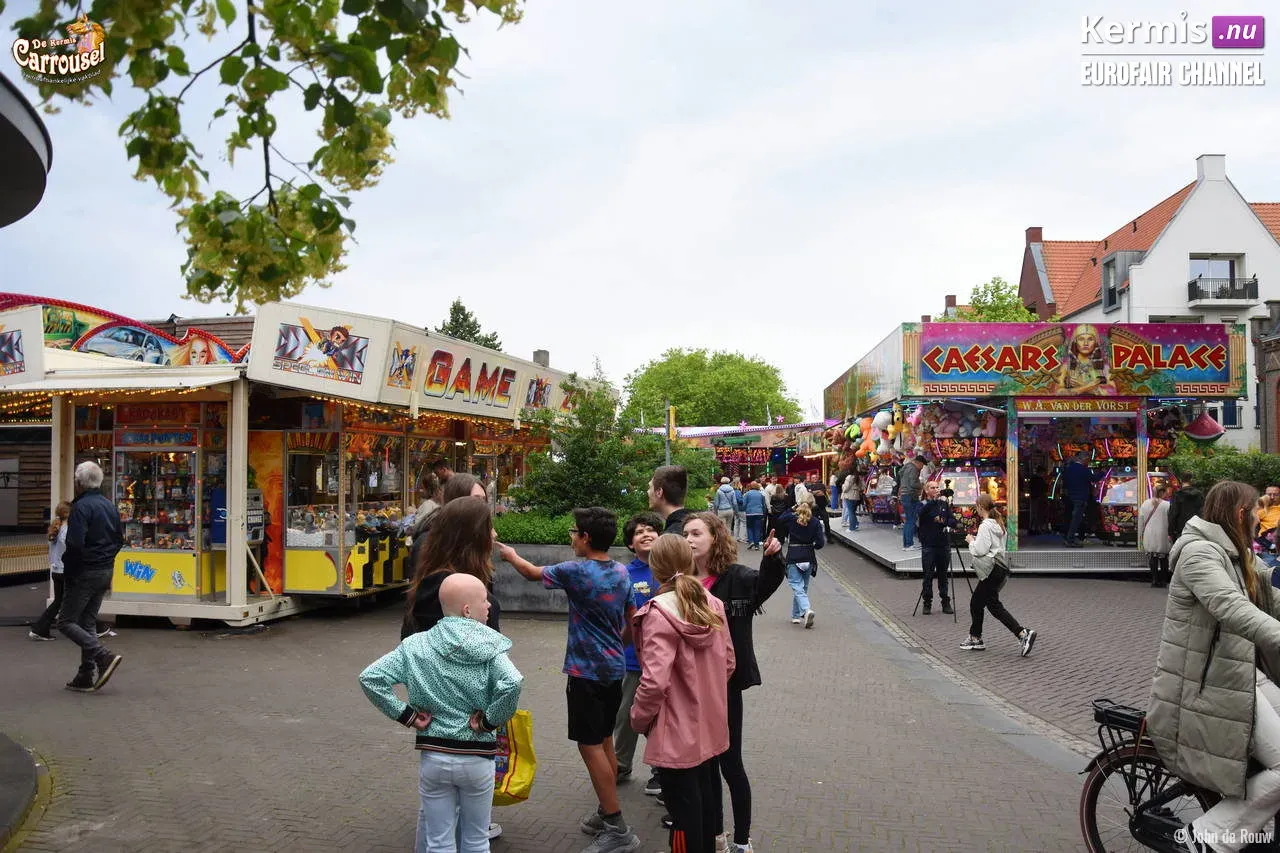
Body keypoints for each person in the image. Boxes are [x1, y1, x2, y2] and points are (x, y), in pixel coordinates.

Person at [1146, 482, 1280, 853]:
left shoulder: (1235, 553)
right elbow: (1231, 607)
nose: (1259, 516)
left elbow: (1270, 599)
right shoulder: (1199, 554)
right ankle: (1206, 837)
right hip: (1208, 684)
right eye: (1255, 510)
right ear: (1240, 514)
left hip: (1239, 674)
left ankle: (1255, 830)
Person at [499, 508, 641, 853]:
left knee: (589, 745)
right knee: (604, 739)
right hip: (613, 669)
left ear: (586, 538)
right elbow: (633, 620)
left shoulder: (575, 571)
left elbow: (531, 573)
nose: (571, 537)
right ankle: (605, 811)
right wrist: (615, 646)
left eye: (573, 532)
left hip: (585, 673)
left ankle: (616, 826)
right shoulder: (621, 571)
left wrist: (509, 553)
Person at [359, 573, 523, 853]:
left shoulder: (415, 645)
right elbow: (513, 683)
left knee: (438, 842)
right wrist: (488, 720)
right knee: (476, 841)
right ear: (467, 610)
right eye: (484, 600)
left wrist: (406, 715)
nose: (490, 607)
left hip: (434, 756)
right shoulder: (491, 648)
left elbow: (370, 678)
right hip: (477, 759)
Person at [682, 512, 786, 853]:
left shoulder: (736, 578)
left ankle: (742, 840)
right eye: (685, 533)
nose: (689, 538)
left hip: (724, 688)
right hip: (690, 687)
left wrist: (772, 558)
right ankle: (716, 835)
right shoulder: (680, 581)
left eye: (696, 533)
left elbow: (765, 585)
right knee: (705, 767)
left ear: (715, 537)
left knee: (730, 764)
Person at [630, 534, 734, 853]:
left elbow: (654, 682)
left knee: (683, 814)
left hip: (675, 730)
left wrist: (638, 719)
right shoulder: (711, 602)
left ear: (654, 568)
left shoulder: (658, 613)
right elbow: (728, 661)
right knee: (703, 804)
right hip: (709, 723)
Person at [57, 461, 125, 692]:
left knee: (65, 621)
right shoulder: (109, 506)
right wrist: (107, 560)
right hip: (105, 569)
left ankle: (102, 656)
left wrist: (70, 567)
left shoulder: (81, 508)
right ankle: (85, 674)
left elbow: (75, 544)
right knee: (87, 621)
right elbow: (119, 540)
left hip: (85, 570)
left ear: (78, 483)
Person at [612, 512, 663, 793]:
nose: (646, 534)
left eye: (651, 530)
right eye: (639, 532)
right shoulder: (624, 574)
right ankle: (621, 764)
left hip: (665, 661)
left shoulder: (673, 570)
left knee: (662, 717)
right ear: (631, 544)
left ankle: (661, 770)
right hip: (632, 660)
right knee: (627, 715)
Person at [402, 497, 502, 638]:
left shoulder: (464, 576)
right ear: (472, 536)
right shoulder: (441, 584)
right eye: (489, 528)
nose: (494, 534)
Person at [960, 494, 1036, 656]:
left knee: (989, 605)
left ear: (980, 507)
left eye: (977, 506)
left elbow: (980, 550)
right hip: (999, 568)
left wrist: (970, 541)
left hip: (990, 570)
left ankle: (1022, 634)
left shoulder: (985, 526)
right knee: (982, 603)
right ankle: (976, 637)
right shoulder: (999, 524)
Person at [778, 501, 825, 629]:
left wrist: (791, 508)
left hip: (794, 554)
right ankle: (795, 616)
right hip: (808, 556)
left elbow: (780, 519)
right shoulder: (815, 521)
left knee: (796, 586)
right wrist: (813, 546)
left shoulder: (792, 519)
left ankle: (806, 610)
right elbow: (821, 542)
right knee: (802, 588)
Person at [29, 501, 71, 641]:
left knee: (59, 601)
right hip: (66, 570)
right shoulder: (67, 529)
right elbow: (70, 548)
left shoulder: (55, 528)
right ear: (68, 514)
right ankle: (90, 629)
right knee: (76, 599)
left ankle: (40, 628)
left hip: (56, 570)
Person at [916, 480, 956, 615]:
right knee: (927, 575)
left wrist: (944, 521)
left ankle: (945, 601)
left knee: (943, 575)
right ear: (927, 490)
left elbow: (953, 521)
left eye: (937, 487)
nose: (936, 490)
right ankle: (927, 602)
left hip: (943, 544)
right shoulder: (923, 504)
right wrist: (933, 501)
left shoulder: (944, 504)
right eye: (932, 488)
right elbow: (921, 514)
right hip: (928, 545)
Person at [1063, 450, 1105, 547]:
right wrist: (1102, 473)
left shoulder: (1069, 468)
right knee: (1076, 519)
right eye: (1088, 460)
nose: (1088, 462)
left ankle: (1068, 537)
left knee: (1071, 518)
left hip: (1070, 496)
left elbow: (1064, 481)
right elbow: (1094, 479)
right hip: (1080, 497)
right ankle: (1070, 540)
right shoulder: (1083, 469)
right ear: (1085, 459)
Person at [1138, 483, 1173, 588]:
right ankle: (1163, 581)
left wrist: (1140, 534)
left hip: (1149, 534)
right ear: (1162, 492)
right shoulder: (1167, 505)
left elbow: (1141, 520)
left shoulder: (1145, 504)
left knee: (1152, 558)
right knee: (1163, 559)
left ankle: (1154, 580)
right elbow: (1171, 520)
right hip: (1163, 534)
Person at [1168, 475, 1206, 543]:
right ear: (1191, 480)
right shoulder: (1199, 495)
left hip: (1181, 532)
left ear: (1180, 480)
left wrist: (1171, 532)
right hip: (1196, 530)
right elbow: (1203, 512)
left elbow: (1173, 514)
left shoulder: (1177, 495)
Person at [898, 455, 925, 550]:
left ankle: (906, 544)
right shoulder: (913, 469)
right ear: (919, 463)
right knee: (911, 520)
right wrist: (922, 485)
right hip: (911, 496)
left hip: (904, 495)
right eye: (922, 465)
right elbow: (913, 483)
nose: (922, 468)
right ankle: (909, 544)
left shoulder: (906, 467)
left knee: (908, 520)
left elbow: (899, 473)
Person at [741, 482, 767, 551]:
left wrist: (744, 509)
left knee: (749, 527)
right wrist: (763, 513)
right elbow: (764, 505)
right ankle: (757, 545)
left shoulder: (747, 494)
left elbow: (744, 504)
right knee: (757, 529)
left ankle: (751, 541)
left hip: (750, 513)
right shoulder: (761, 494)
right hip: (759, 513)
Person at [808, 473, 831, 539]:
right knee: (814, 523)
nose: (814, 478)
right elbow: (810, 494)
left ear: (817, 478)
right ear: (811, 479)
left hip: (822, 507)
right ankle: (815, 537)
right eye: (813, 477)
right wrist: (816, 492)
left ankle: (829, 537)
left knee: (826, 521)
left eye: (816, 477)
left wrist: (813, 492)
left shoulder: (822, 485)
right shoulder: (808, 486)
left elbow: (821, 493)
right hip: (813, 508)